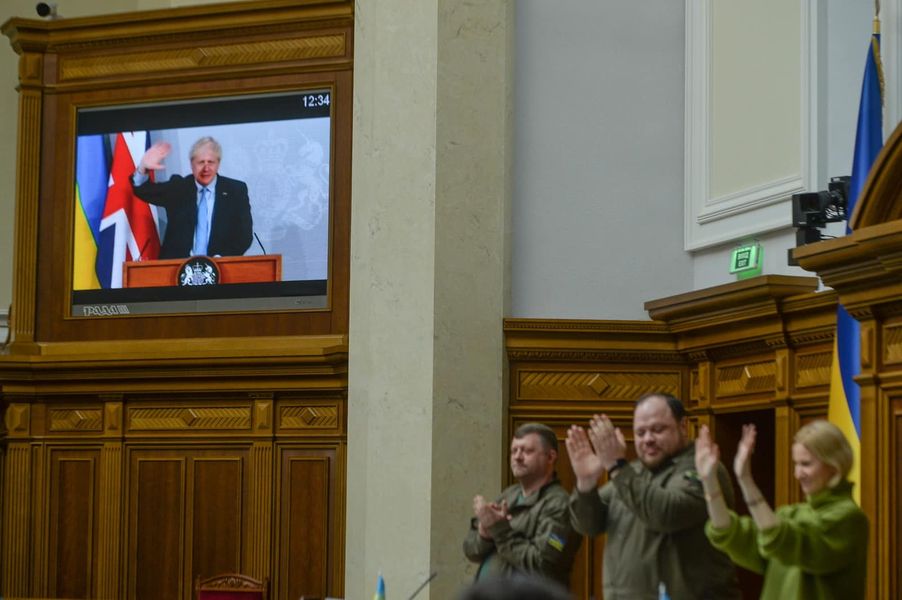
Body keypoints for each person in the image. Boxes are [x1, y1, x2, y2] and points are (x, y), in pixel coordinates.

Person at [566, 393, 740, 599]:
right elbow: (589, 525)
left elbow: (667, 513)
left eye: (658, 430)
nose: (648, 439)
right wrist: (585, 484)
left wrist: (616, 466)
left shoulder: (703, 467)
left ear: (683, 426)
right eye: (640, 433)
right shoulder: (633, 472)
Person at [696, 420, 868, 599]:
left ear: (834, 466)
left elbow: (784, 540)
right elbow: (732, 535)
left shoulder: (849, 519)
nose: (797, 474)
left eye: (806, 464)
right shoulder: (789, 514)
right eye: (796, 464)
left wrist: (746, 480)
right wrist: (709, 481)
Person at [463, 423, 581, 588]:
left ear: (550, 457)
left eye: (527, 451)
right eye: (514, 451)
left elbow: (543, 566)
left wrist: (499, 529)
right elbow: (471, 551)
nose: (517, 457)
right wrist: (484, 534)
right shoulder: (509, 495)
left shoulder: (560, 505)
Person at [131, 136, 253, 259]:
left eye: (211, 162)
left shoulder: (235, 191)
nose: (206, 168)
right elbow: (143, 190)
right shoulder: (179, 188)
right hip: (177, 270)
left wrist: (221, 259)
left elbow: (244, 236)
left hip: (221, 269)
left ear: (218, 163)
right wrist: (143, 168)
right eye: (201, 162)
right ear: (191, 164)